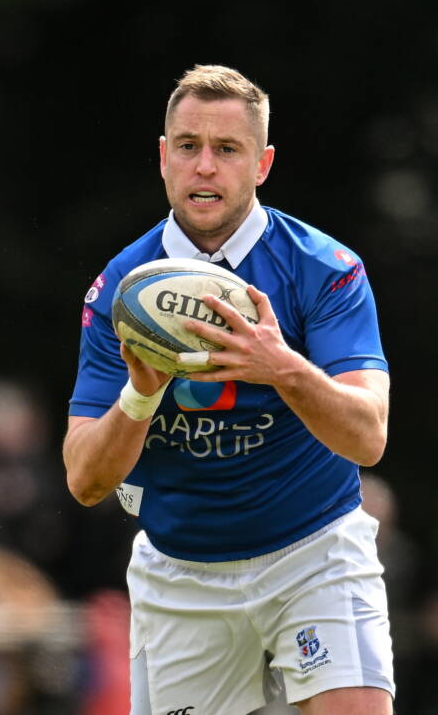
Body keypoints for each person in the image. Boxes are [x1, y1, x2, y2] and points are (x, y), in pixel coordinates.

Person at [64, 65, 393, 715]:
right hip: (184, 573)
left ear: (263, 163)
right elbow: (84, 479)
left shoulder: (325, 270)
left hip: (314, 550)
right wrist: (140, 394)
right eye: (188, 146)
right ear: (163, 158)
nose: (205, 166)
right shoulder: (122, 292)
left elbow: (368, 435)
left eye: (227, 149)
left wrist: (283, 368)